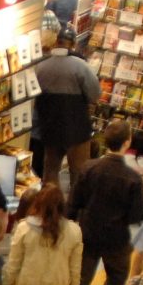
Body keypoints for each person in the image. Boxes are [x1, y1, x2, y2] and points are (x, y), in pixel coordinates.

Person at [68, 121, 143, 285]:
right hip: (118, 240)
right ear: (127, 143)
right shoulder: (133, 178)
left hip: (87, 234)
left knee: (80, 281)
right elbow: (136, 217)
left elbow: (74, 203)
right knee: (116, 279)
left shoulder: (89, 167)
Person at [28, 28, 99, 193]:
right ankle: (72, 212)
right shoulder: (81, 66)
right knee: (78, 173)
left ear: (56, 42)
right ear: (73, 44)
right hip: (77, 129)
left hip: (50, 127)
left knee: (51, 170)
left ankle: (49, 206)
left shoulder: (41, 67)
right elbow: (94, 94)